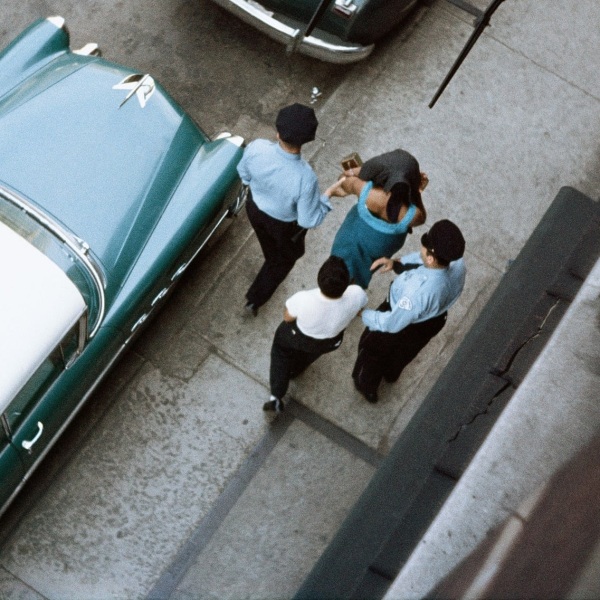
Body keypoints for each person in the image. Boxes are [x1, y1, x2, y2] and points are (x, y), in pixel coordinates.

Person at [237, 103, 338, 316]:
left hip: (254, 208)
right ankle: (254, 300)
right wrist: (327, 197)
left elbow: (244, 174)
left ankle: (269, 258)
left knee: (267, 244)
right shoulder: (306, 178)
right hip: (283, 226)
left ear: (278, 131)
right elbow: (308, 220)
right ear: (306, 140)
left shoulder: (257, 148)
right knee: (281, 261)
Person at [352, 219, 466, 404]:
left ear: (430, 258)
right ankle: (391, 374)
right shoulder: (457, 263)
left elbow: (390, 323)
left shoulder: (417, 292)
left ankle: (365, 384)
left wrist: (362, 313)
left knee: (372, 349)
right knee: (404, 353)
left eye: (424, 247)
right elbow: (422, 261)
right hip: (432, 321)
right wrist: (398, 264)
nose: (421, 248)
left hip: (404, 320)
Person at [265, 256, 368, 413]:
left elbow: (287, 317)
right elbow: (360, 309)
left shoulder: (304, 298)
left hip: (296, 336)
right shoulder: (357, 293)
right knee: (308, 355)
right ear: (346, 281)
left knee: (281, 353)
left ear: (319, 278)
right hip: (328, 341)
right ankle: (294, 371)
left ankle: (276, 397)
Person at [328, 148, 428, 289]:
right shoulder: (413, 215)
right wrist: (417, 192)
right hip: (380, 247)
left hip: (351, 237)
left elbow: (342, 182)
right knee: (365, 269)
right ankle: (355, 289)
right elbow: (422, 215)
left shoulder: (364, 188)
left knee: (340, 264)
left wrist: (358, 172)